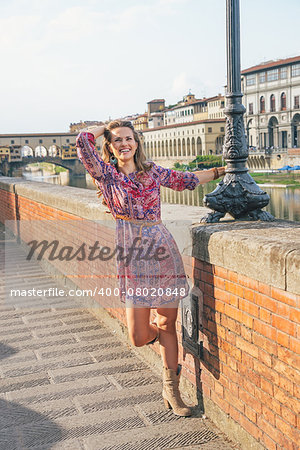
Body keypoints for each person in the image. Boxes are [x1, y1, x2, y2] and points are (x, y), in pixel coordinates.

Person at [76, 120, 225, 417]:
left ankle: (172, 391)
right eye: (117, 140)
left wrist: (223, 171)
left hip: (162, 251)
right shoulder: (106, 175)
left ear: (137, 143)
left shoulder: (152, 172)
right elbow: (82, 142)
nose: (124, 144)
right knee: (138, 335)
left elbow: (187, 180)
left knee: (169, 323)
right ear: (110, 146)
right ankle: (160, 339)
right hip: (132, 256)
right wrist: (108, 126)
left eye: (129, 139)